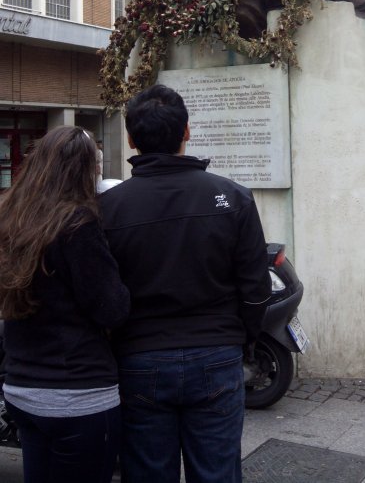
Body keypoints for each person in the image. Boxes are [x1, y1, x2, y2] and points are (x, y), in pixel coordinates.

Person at [99, 84, 271, 483]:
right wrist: (239, 338)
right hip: (216, 353)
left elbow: (102, 292)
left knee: (146, 473)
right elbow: (256, 288)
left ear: (130, 138)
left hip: (139, 359)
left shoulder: (108, 208)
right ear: (187, 132)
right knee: (217, 473)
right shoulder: (233, 198)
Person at [0, 126, 130, 483]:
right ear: (85, 170)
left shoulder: (12, 217)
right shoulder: (78, 224)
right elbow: (111, 308)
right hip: (76, 395)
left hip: (22, 389)